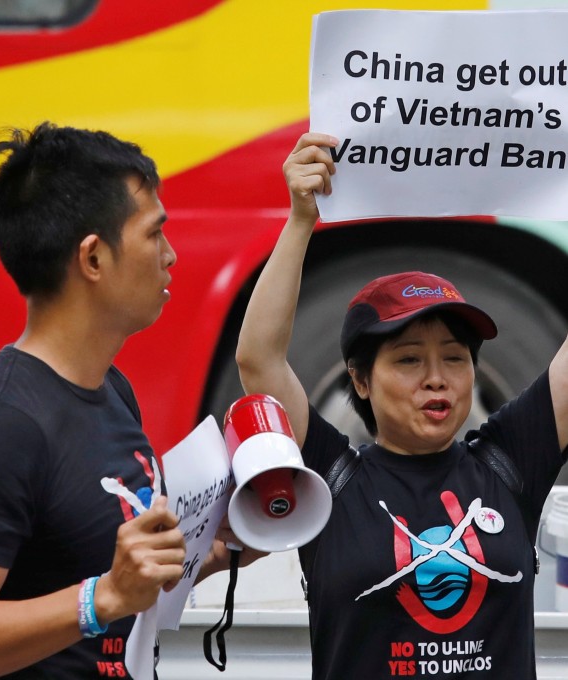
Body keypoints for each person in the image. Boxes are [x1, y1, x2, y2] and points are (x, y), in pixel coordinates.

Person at [0, 122, 240, 679]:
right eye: (155, 234)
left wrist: (222, 543)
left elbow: (119, 583)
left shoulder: (111, 389)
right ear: (93, 258)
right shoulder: (3, 421)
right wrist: (100, 599)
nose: (171, 255)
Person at [234, 132, 568, 679]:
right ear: (360, 381)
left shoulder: (511, 463)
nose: (437, 380)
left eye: (455, 359)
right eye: (409, 360)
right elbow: (258, 359)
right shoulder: (330, 478)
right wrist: (299, 222)